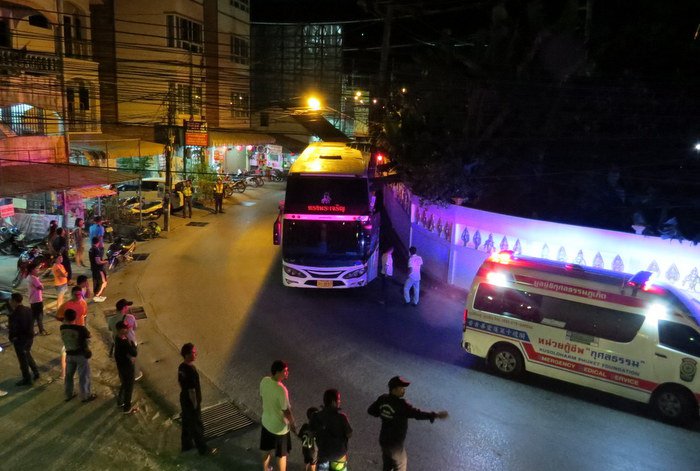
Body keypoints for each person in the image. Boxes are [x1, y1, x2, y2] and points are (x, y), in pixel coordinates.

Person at [367, 376, 448, 471]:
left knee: (387, 464)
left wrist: (383, 413)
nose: (404, 390)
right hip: (395, 445)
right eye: (401, 388)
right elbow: (417, 414)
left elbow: (371, 410)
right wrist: (435, 415)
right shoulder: (402, 405)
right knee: (400, 465)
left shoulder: (382, 399)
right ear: (394, 389)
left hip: (384, 440)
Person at [178, 343, 217, 456]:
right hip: (191, 400)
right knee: (197, 425)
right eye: (194, 353)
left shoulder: (181, 367)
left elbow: (180, 383)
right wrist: (195, 404)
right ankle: (203, 449)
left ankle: (186, 445)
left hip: (183, 398)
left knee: (186, 422)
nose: (196, 354)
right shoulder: (191, 370)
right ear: (187, 355)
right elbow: (192, 390)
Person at [260, 360, 297, 471]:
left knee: (266, 449)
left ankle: (265, 469)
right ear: (277, 372)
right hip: (279, 429)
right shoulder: (281, 390)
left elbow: (261, 398)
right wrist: (293, 424)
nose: (287, 373)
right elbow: (286, 411)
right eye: (285, 371)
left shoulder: (264, 381)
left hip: (266, 422)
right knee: (281, 455)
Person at [311, 389, 352, 471]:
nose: (339, 402)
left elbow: (311, 432)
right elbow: (349, 434)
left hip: (323, 454)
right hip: (339, 454)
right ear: (333, 402)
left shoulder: (316, 416)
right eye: (338, 399)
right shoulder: (341, 418)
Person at [60, 308, 96, 403]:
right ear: (75, 317)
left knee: (69, 376)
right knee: (83, 376)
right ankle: (85, 396)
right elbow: (89, 336)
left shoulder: (62, 327)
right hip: (80, 355)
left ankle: (69, 394)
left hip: (69, 354)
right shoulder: (81, 329)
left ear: (65, 317)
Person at [56, 286, 89, 379]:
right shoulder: (66, 305)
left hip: (80, 330)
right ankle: (63, 373)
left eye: (80, 294)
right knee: (65, 350)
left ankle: (78, 370)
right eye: (76, 294)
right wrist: (66, 323)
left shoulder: (83, 303)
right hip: (70, 331)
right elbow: (58, 316)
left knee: (80, 349)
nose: (78, 296)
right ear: (72, 294)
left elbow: (84, 315)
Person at [8, 293, 40, 386]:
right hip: (30, 337)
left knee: (22, 359)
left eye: (11, 300)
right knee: (27, 354)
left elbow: (14, 329)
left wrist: (12, 337)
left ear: (14, 301)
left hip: (20, 339)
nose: (10, 302)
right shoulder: (28, 309)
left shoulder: (14, 314)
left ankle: (27, 378)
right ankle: (35, 371)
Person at [114, 320, 138, 414]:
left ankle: (120, 401)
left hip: (120, 365)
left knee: (124, 383)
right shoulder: (124, 342)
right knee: (129, 386)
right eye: (125, 328)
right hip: (127, 366)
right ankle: (127, 408)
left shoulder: (117, 338)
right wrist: (133, 345)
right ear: (121, 330)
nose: (127, 329)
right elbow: (134, 353)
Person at [115, 298, 142, 381]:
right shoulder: (130, 317)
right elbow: (135, 328)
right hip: (130, 342)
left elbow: (110, 329)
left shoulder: (112, 319)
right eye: (127, 306)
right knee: (132, 359)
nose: (128, 308)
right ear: (124, 308)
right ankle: (134, 376)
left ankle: (122, 377)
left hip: (118, 342)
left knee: (121, 361)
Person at [26, 263, 48, 335]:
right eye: (37, 268)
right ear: (32, 270)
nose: (38, 270)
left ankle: (33, 330)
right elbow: (41, 287)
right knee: (39, 316)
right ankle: (41, 331)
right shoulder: (34, 278)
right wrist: (41, 284)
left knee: (34, 316)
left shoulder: (29, 277)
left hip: (33, 300)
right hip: (37, 300)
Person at [298, 407, 319, 471]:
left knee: (306, 461)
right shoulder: (317, 428)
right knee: (313, 464)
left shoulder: (305, 426)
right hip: (314, 451)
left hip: (305, 449)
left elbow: (300, 436)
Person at [89, 237, 108, 302]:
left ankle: (96, 295)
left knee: (96, 282)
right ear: (98, 242)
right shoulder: (96, 250)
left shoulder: (91, 249)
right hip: (98, 269)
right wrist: (105, 262)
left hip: (93, 268)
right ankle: (97, 296)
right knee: (103, 282)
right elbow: (98, 261)